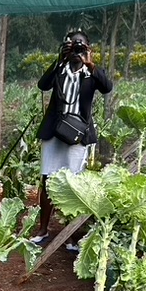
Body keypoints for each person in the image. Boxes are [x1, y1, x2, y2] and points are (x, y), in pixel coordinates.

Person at [30, 30, 113, 249]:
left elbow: (107, 87)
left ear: (88, 48)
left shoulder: (90, 73)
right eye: (72, 46)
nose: (76, 51)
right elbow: (43, 85)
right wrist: (59, 60)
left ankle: (72, 236)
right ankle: (43, 229)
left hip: (78, 135)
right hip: (54, 132)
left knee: (75, 185)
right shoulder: (60, 69)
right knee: (48, 181)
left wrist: (91, 63)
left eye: (81, 46)